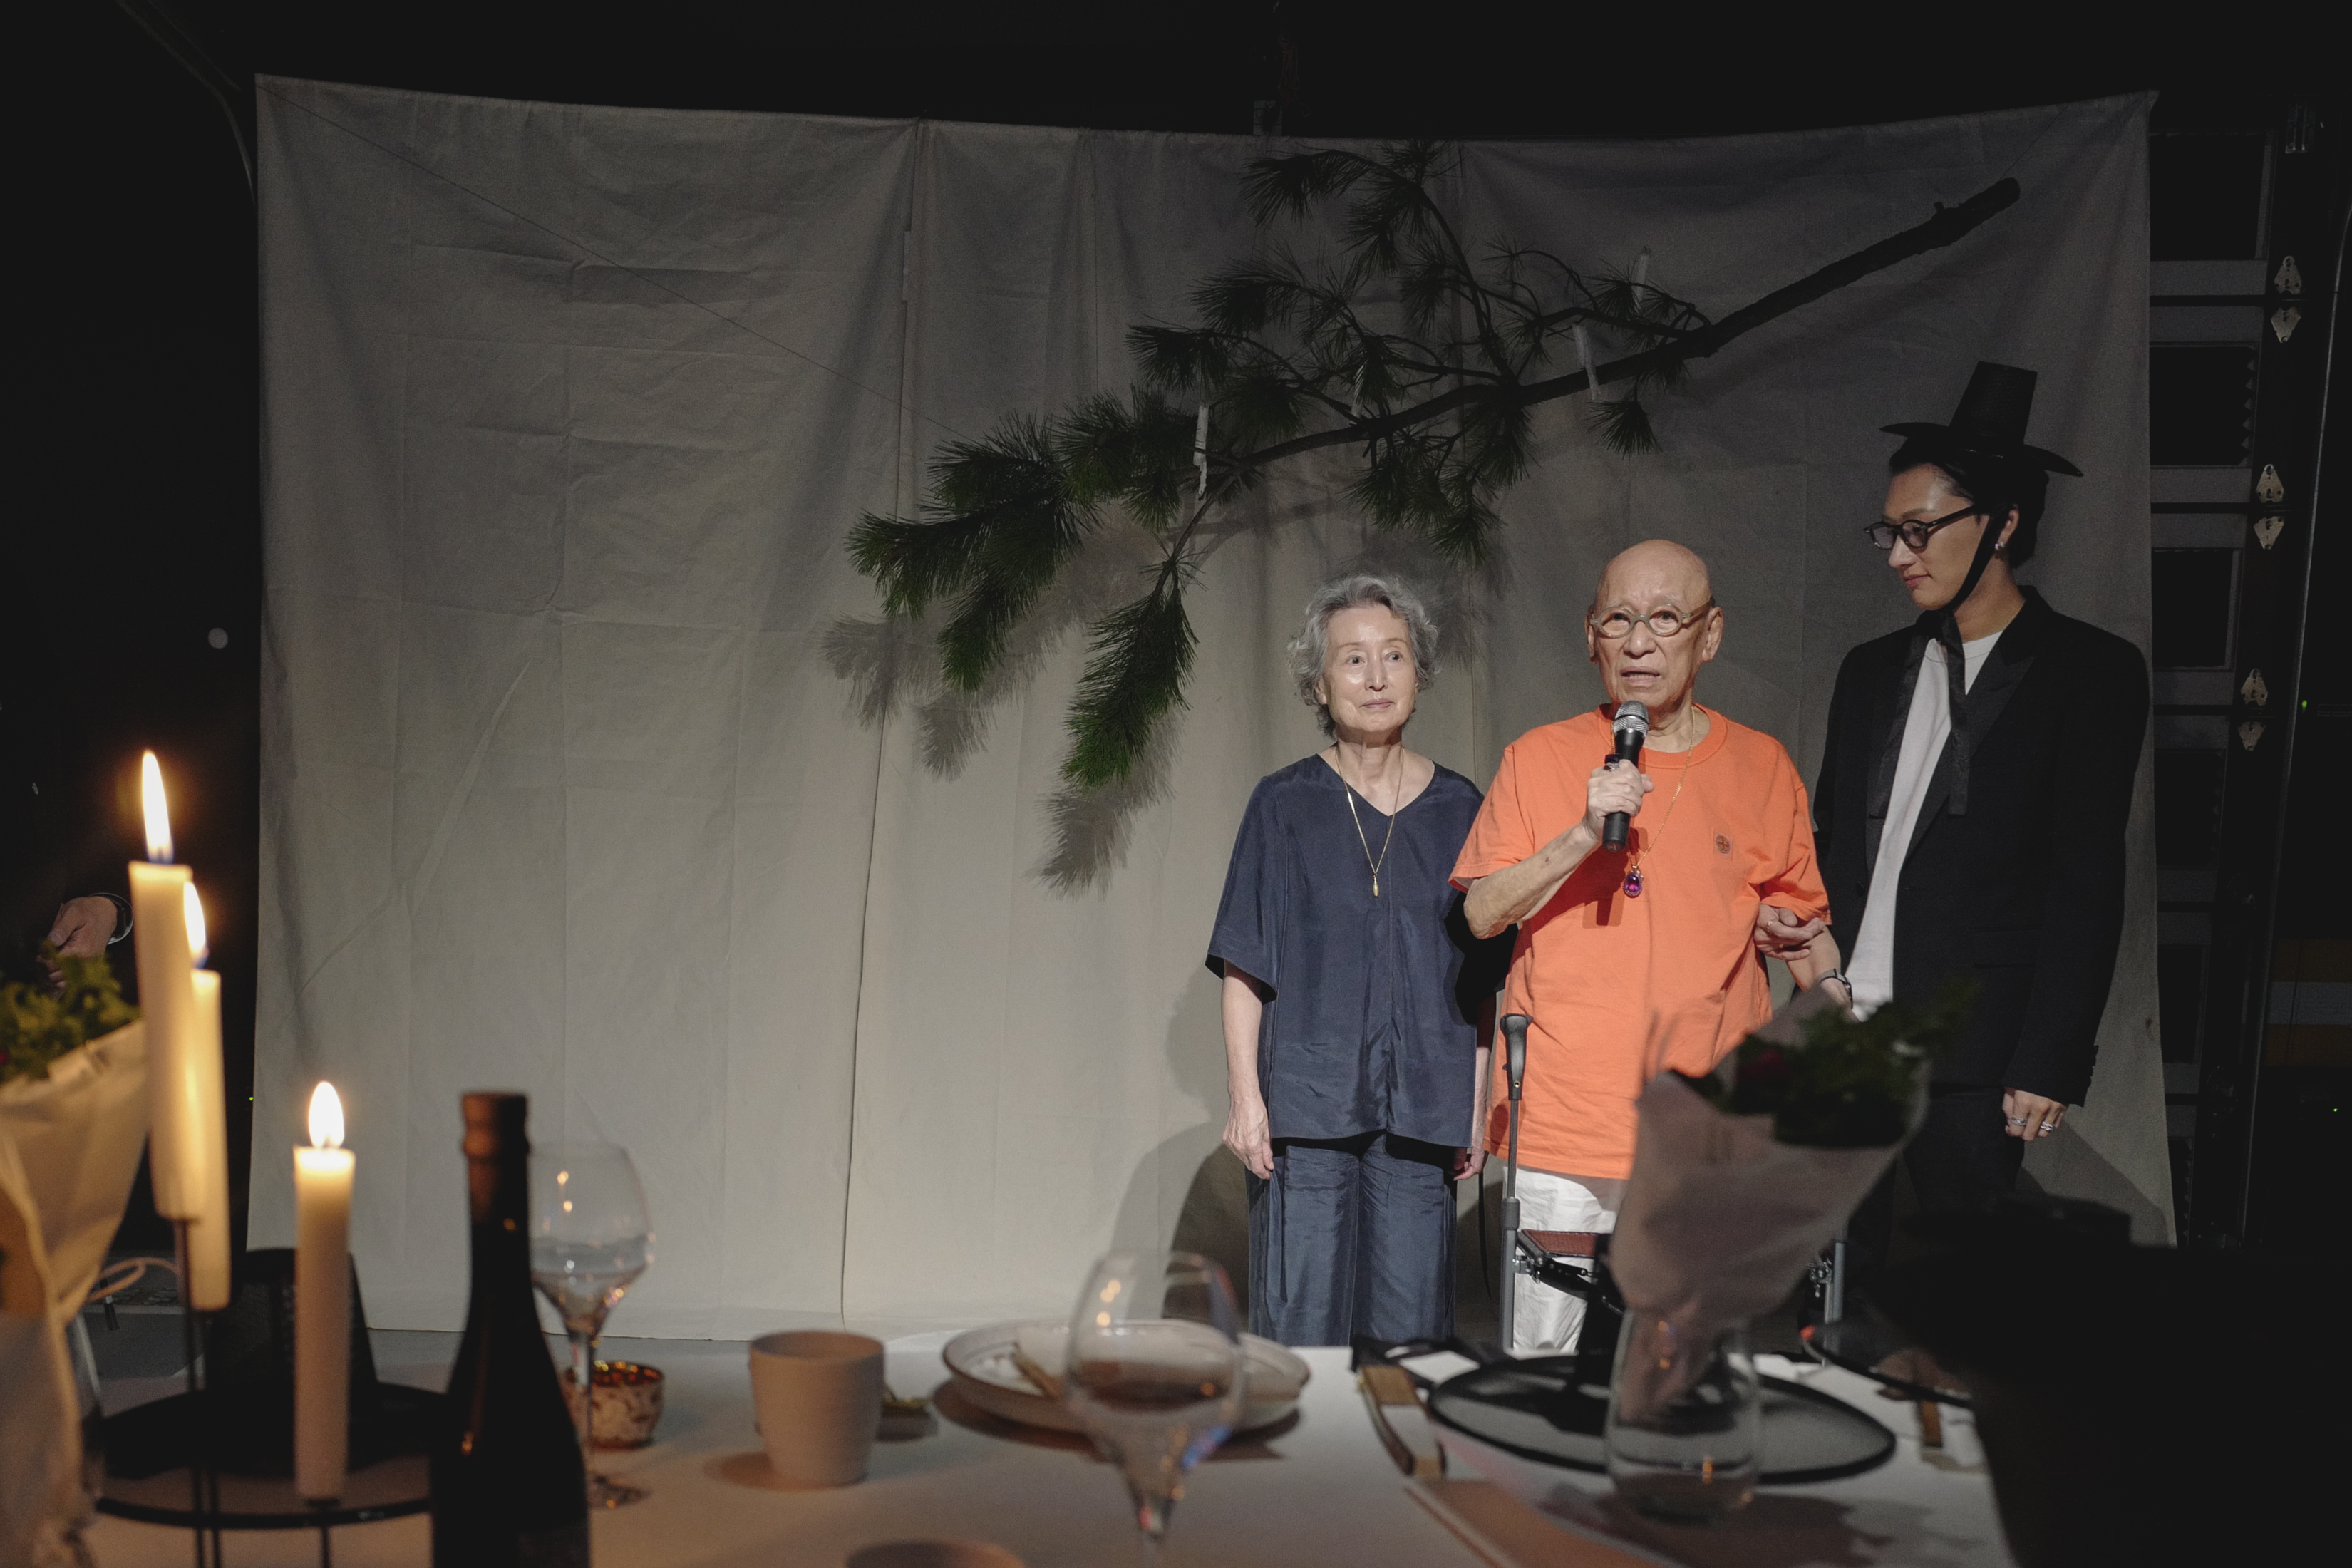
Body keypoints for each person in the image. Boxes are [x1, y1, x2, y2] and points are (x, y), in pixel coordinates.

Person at [1795, 362, 2147, 1283]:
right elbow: (1832, 840)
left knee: (1978, 1295)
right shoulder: (1869, 669)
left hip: (1976, 1047)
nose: (1898, 555)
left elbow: (2085, 878)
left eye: (1919, 531)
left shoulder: (2089, 673)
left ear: (2003, 524)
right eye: (1891, 532)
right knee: (1835, 1288)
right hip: (1848, 1031)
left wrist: (2050, 1059)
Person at [1454, 540, 1844, 1353]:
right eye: (1618, 620)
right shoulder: (1539, 756)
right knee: (1542, 1366)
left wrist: (1828, 991)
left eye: (1665, 619)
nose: (1638, 643)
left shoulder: (1763, 766)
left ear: (1710, 635)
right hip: (1567, 1118)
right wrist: (1580, 834)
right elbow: (1481, 914)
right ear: (1589, 634)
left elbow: (1808, 935)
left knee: (1690, 1370)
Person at [1208, 574, 1510, 1346]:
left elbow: (1483, 980)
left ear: (1419, 673)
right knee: (1301, 1334)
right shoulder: (1283, 803)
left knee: (1410, 1342)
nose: (1376, 677)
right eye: (1353, 659)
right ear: (1320, 683)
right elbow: (1245, 965)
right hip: (1306, 1114)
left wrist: (1477, 1103)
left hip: (1423, 1113)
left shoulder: (1462, 809)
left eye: (1394, 656)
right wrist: (1246, 1099)